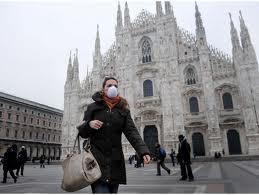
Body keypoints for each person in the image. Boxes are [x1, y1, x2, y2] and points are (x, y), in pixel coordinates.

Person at [77, 76, 151, 193]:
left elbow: (132, 132)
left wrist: (143, 151)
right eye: (109, 85)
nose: (113, 88)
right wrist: (89, 124)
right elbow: (82, 132)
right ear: (103, 88)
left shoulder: (123, 109)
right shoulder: (93, 108)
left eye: (115, 86)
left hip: (115, 163)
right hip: (97, 163)